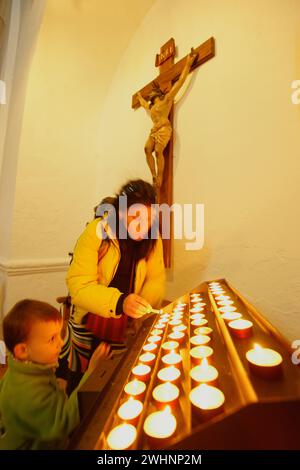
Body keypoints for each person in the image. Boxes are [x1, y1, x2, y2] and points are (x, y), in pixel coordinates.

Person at [63, 179, 165, 393]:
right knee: (83, 387)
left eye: (148, 218)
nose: (142, 224)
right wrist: (119, 302)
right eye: (135, 215)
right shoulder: (96, 233)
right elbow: (79, 285)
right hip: (89, 324)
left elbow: (156, 278)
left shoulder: (152, 239)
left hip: (125, 328)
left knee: (116, 386)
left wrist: (142, 309)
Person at [0, 299, 109, 450]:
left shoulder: (19, 368)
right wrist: (91, 372)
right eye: (52, 339)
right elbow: (63, 422)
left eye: (59, 335)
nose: (61, 343)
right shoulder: (28, 391)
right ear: (23, 351)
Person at [137, 48, 197, 188]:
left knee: (158, 152)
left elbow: (180, 82)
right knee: (147, 149)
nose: (150, 94)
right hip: (154, 130)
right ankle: (153, 174)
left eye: (152, 92)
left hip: (164, 128)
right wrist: (139, 97)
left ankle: (160, 177)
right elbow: (144, 104)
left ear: (157, 93)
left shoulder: (167, 100)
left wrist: (188, 63)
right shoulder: (152, 108)